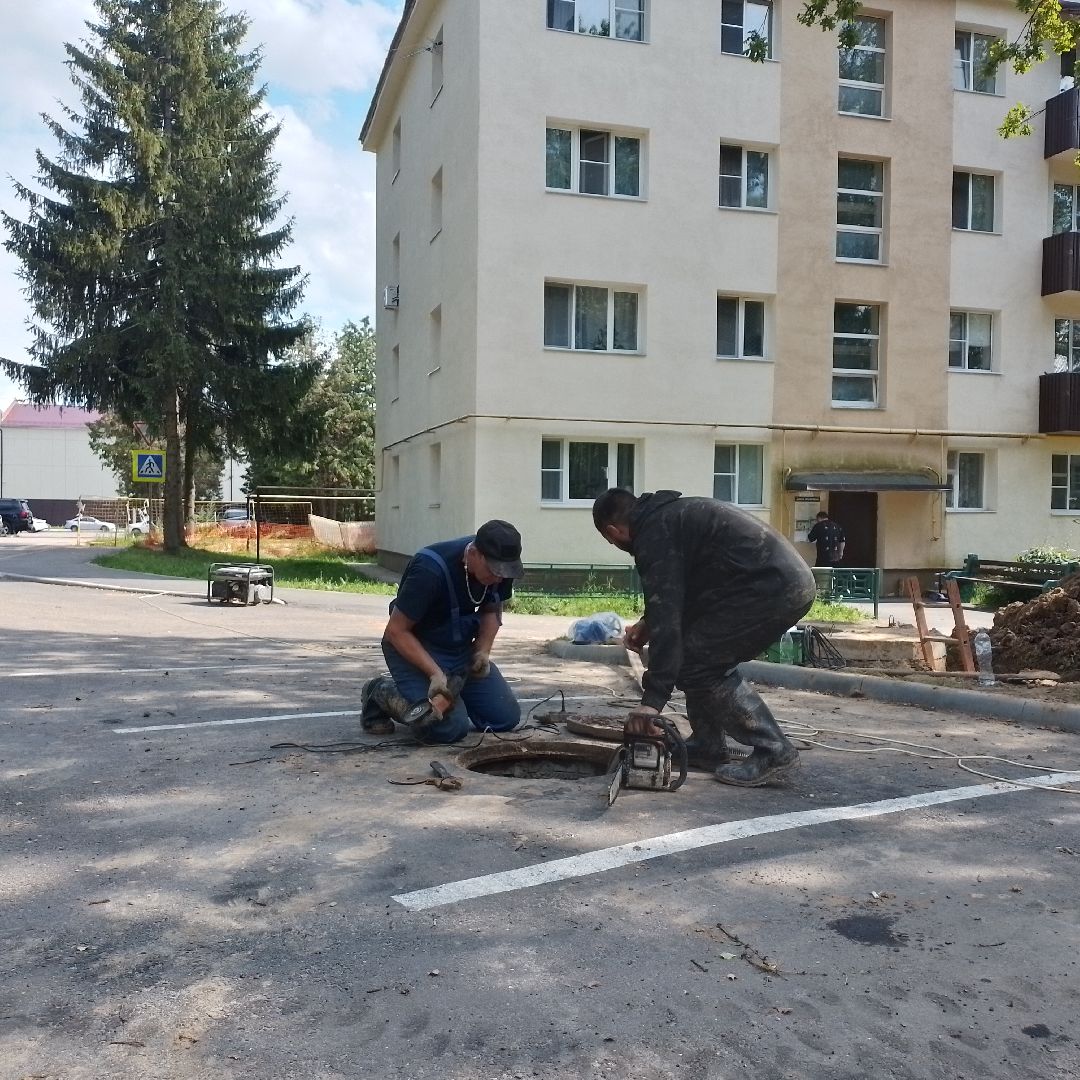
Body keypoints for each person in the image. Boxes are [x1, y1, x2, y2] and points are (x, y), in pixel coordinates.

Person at [592, 488, 817, 787]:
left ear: (613, 530)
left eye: (611, 541)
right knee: (694, 655)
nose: (616, 544)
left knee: (698, 663)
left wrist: (652, 702)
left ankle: (774, 750)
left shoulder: (654, 535)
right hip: (771, 580)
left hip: (772, 588)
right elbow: (686, 588)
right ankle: (709, 745)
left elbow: (668, 624)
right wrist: (648, 622)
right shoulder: (666, 518)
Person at [360, 520, 524, 743]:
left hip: (458, 650)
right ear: (474, 553)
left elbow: (491, 611)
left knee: (505, 718)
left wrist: (482, 651)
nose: (499, 578)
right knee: (446, 728)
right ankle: (380, 692)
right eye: (494, 571)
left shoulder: (500, 568)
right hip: (415, 649)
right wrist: (435, 674)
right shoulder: (429, 569)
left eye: (505, 573)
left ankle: (455, 694)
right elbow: (396, 631)